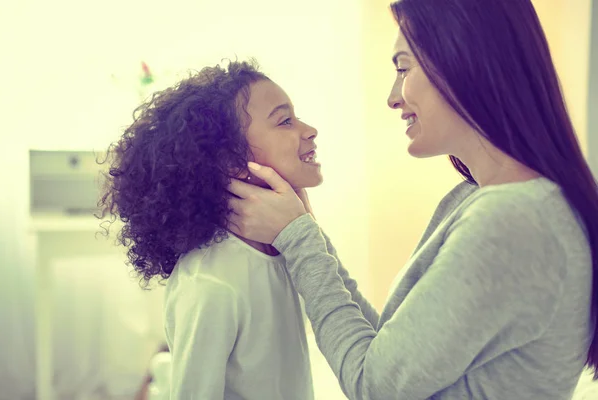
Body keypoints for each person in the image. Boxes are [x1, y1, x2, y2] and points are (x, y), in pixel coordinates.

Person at [226, 1, 598, 399]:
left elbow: (375, 387)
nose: (392, 97)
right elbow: (387, 354)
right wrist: (304, 231)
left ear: (463, 61)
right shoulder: (480, 199)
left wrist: (299, 239)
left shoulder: (513, 221)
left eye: (403, 67)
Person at [98, 60, 320, 399]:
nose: (309, 129)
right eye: (284, 121)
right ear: (232, 162)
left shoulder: (287, 251)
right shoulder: (209, 283)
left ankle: (162, 370)